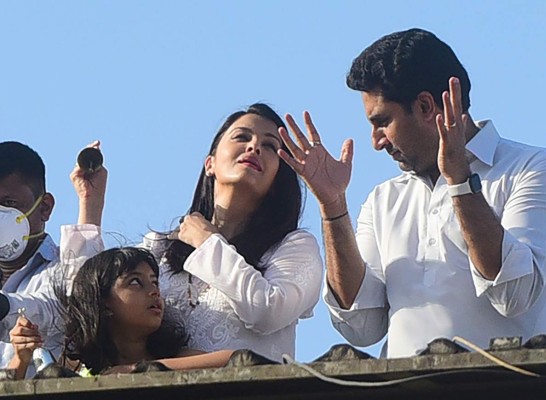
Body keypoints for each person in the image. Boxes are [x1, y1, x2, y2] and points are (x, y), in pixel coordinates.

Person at [278, 28, 546, 358]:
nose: (375, 141)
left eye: (382, 122)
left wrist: (460, 182)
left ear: (424, 106)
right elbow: (360, 325)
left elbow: (514, 294)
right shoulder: (382, 200)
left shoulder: (535, 168)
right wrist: (333, 207)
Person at [141, 103, 323, 363]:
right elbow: (96, 300)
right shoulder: (159, 248)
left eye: (270, 146)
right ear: (210, 163)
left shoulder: (294, 246)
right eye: (242, 137)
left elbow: (267, 312)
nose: (254, 147)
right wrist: (91, 203)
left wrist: (208, 242)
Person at [8, 247, 234, 379]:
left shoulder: (174, 359)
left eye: (154, 282)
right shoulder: (76, 369)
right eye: (136, 282)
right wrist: (20, 359)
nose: (154, 291)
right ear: (103, 302)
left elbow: (235, 359)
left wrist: (138, 371)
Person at [0, 141, 106, 377]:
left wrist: (89, 202)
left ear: (45, 207)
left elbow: (73, 309)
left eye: (8, 204)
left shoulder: (65, 270)